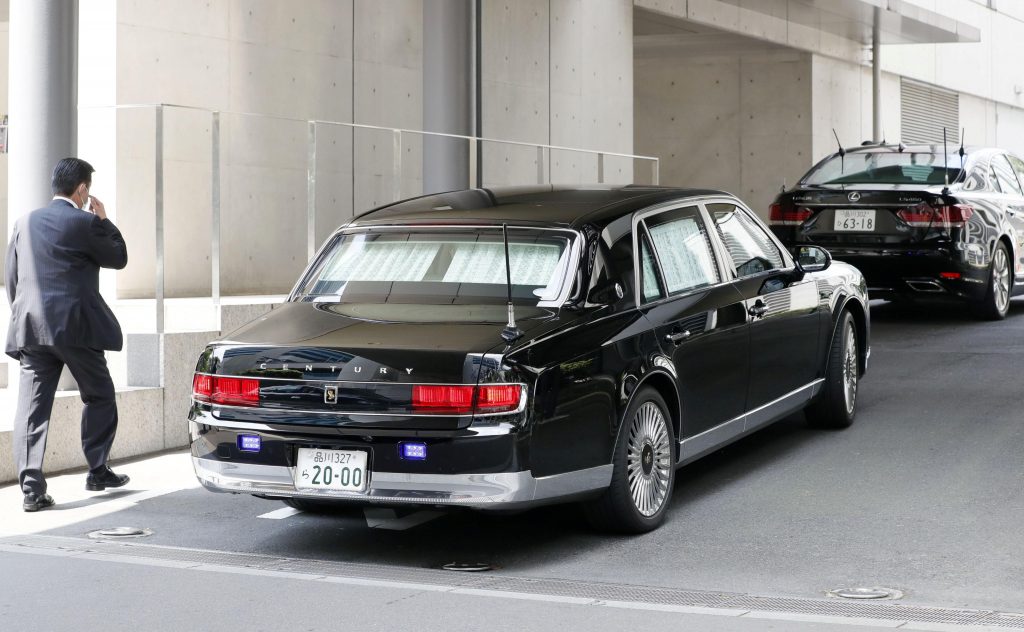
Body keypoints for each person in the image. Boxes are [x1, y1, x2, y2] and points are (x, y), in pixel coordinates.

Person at [6, 157, 130, 512]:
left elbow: (12, 278)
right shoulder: (86, 222)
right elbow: (118, 257)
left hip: (31, 327)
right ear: (82, 189)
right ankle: (97, 470)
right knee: (100, 394)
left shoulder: (24, 222)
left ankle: (31, 490)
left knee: (31, 409)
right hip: (76, 329)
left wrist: (25, 314)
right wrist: (103, 220)